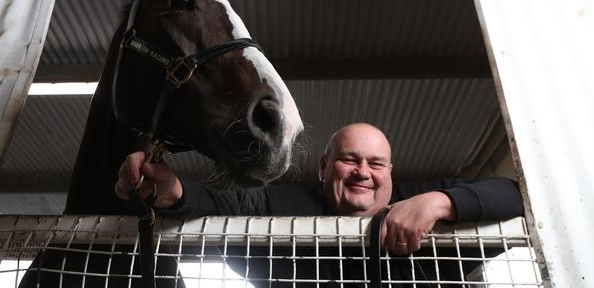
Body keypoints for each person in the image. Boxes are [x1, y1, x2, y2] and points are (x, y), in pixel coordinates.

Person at [115, 123, 524, 285]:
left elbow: (516, 193)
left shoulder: (420, 197)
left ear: (390, 172)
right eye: (350, 160)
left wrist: (440, 202)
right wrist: (176, 190)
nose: (363, 172)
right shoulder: (284, 202)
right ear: (325, 168)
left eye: (376, 163)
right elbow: (220, 202)